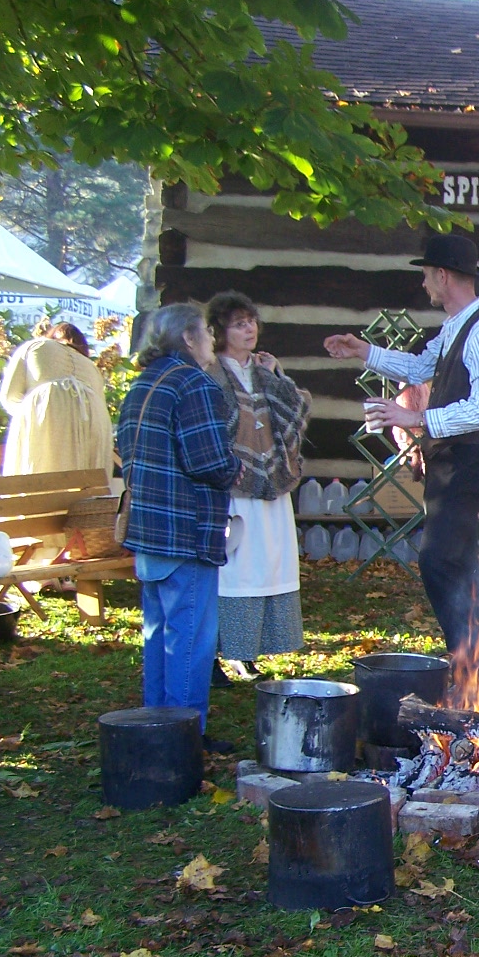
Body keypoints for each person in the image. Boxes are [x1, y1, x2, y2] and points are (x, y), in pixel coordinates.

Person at [323, 234, 479, 683]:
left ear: (443, 275)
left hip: (467, 461)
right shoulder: (454, 327)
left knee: (438, 560)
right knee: (459, 560)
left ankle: (469, 666)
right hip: (449, 461)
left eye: (427, 273)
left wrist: (413, 416)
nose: (424, 283)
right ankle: (477, 671)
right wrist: (363, 351)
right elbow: (415, 368)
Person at [115, 304, 240, 749]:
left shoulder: (142, 385)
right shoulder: (194, 384)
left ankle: (157, 727)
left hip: (149, 529)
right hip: (185, 529)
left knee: (159, 634)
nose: (211, 339)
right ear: (188, 339)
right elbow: (207, 459)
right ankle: (186, 736)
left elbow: (125, 448)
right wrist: (234, 467)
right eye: (206, 331)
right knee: (190, 638)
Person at [204, 291, 311, 681]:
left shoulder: (265, 367)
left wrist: (275, 378)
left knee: (268, 565)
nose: (248, 328)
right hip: (233, 487)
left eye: (251, 321)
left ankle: (248, 651)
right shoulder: (211, 371)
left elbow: (293, 414)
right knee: (234, 570)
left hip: (272, 484)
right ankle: (218, 652)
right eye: (238, 323)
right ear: (219, 331)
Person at [1, 322, 112, 477]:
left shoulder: (36, 346)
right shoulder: (91, 366)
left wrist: (32, 413)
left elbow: (10, 397)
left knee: (39, 477)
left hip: (49, 409)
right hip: (95, 418)